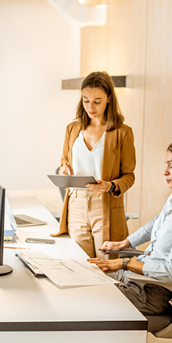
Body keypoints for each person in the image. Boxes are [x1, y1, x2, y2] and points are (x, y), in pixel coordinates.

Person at [88, 137, 172, 315]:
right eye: (166, 165)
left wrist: (124, 263)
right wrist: (125, 243)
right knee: (85, 276)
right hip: (138, 278)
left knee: (86, 295)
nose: (165, 172)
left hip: (149, 292)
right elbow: (155, 224)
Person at [52, 71, 136, 259]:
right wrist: (65, 170)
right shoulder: (72, 129)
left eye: (97, 101)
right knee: (79, 263)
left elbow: (129, 176)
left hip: (104, 204)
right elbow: (64, 162)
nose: (91, 106)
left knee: (106, 265)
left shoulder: (122, 132)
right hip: (76, 204)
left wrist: (110, 185)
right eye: (86, 100)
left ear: (109, 98)